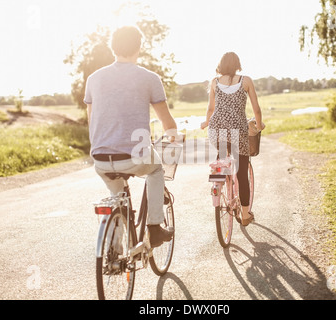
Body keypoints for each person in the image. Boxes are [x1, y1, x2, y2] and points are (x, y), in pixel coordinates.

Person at [84, 26, 180, 248]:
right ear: (139, 47)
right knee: (156, 169)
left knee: (116, 194)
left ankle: (114, 252)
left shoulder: (94, 79)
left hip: (100, 158)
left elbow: (92, 121)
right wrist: (173, 136)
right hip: (134, 157)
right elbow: (167, 123)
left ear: (112, 47)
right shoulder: (149, 78)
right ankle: (155, 229)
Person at [201, 52, 264, 226]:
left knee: (222, 158)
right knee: (241, 171)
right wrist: (259, 125)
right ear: (237, 64)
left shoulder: (214, 82)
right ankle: (244, 215)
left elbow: (211, 109)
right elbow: (256, 109)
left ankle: (218, 182)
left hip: (217, 129)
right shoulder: (246, 81)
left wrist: (206, 122)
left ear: (221, 65)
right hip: (238, 131)